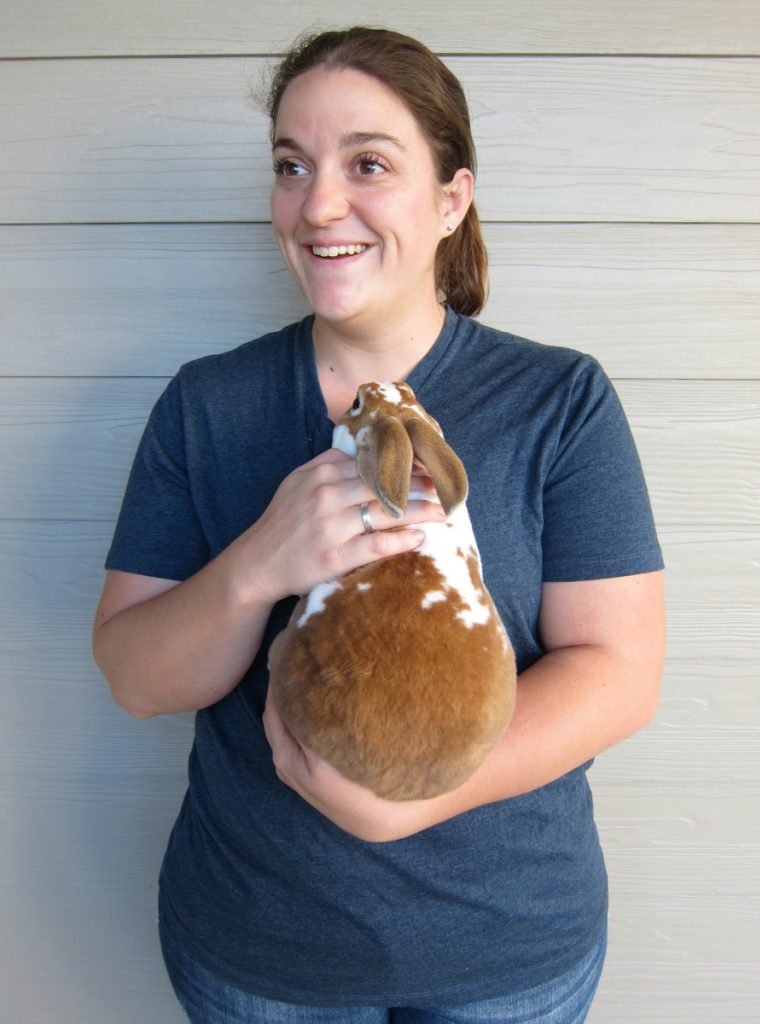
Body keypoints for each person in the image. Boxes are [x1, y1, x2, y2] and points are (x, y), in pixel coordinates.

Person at [92, 26, 665, 1024]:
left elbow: (618, 671)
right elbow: (137, 677)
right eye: (291, 166)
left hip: (510, 956)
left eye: (367, 164)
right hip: (259, 955)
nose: (318, 204)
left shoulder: (560, 400)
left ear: (451, 198)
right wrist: (261, 561)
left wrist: (423, 797)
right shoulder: (206, 406)